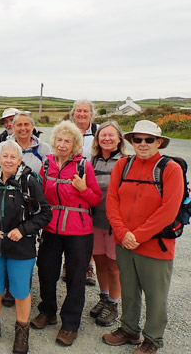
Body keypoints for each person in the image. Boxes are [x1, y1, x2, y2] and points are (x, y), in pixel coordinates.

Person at [103, 120, 183, 354]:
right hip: (124, 241)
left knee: (155, 295)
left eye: (149, 139)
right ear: (131, 142)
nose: (143, 144)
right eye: (137, 139)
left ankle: (152, 340)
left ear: (159, 142)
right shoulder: (123, 165)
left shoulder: (170, 169)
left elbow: (169, 209)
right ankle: (129, 330)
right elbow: (112, 201)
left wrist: (137, 235)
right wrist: (122, 233)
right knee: (129, 289)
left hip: (155, 245)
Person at [31, 120, 102, 347]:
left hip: (79, 230)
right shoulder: (46, 164)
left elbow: (96, 199)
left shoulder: (84, 166)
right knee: (46, 269)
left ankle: (70, 324)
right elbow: (40, 195)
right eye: (59, 140)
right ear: (54, 142)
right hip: (51, 227)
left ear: (75, 144)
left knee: (75, 276)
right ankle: (48, 311)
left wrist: (83, 188)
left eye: (67, 141)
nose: (62, 145)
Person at [0, 140, 52, 352]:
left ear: (19, 160)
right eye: (4, 156)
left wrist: (24, 229)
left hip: (21, 247)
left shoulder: (29, 182)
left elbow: (45, 213)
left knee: (20, 290)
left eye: (13, 157)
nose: (8, 160)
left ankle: (22, 330)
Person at [89, 121, 127, 327]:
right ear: (97, 139)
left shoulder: (126, 162)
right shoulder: (92, 161)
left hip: (114, 223)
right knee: (100, 263)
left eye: (111, 135)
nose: (107, 139)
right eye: (103, 135)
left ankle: (113, 303)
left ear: (119, 139)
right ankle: (103, 297)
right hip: (95, 221)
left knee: (114, 267)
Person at [69, 99, 99, 286]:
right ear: (73, 113)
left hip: (92, 181)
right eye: (78, 111)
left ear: (91, 114)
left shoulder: (97, 132)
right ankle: (68, 263)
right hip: (70, 181)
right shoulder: (67, 129)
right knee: (69, 222)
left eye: (85, 111)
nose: (81, 114)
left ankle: (88, 265)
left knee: (91, 225)